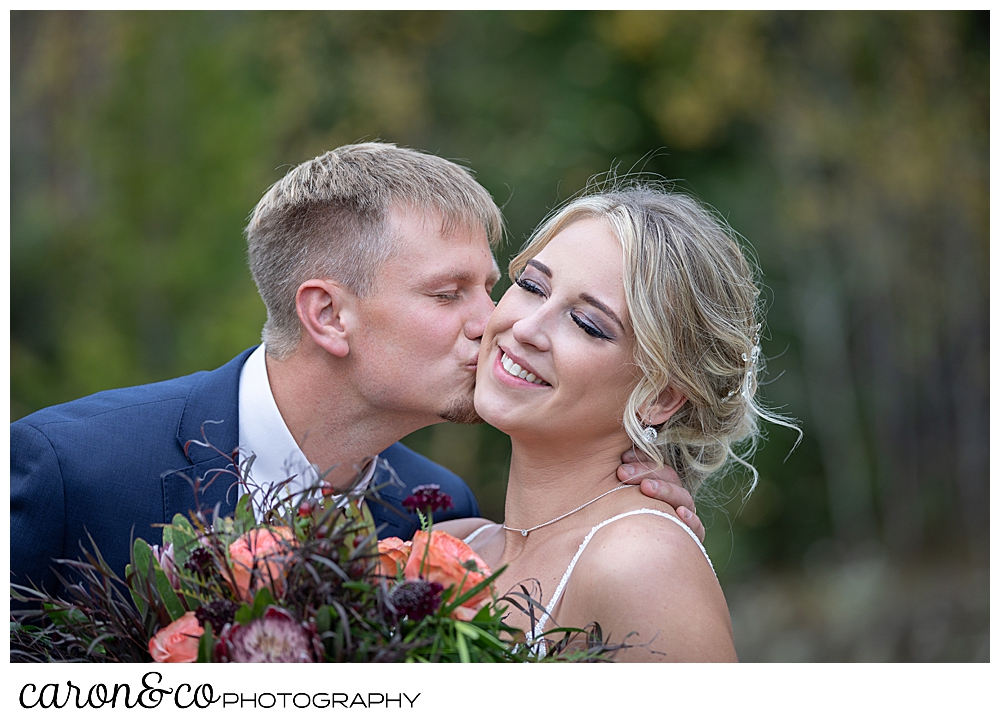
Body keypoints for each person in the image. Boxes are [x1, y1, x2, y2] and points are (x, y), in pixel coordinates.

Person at [10, 143, 700, 602]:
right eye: (448, 292)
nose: (493, 321)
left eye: (491, 286)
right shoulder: (69, 473)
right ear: (329, 316)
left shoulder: (438, 516)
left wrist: (622, 514)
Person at [440, 184, 786, 661]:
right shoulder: (453, 544)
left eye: (586, 323)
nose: (525, 328)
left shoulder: (641, 563)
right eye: (532, 286)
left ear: (660, 397)